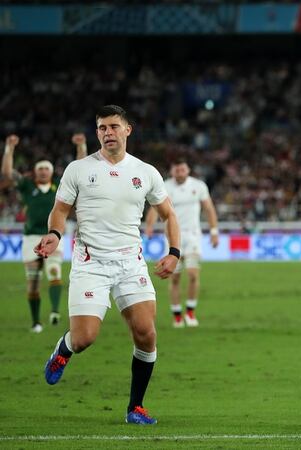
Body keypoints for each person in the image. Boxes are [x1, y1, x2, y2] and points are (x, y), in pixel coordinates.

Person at [38, 105, 181, 425]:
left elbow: (170, 214)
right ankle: (64, 348)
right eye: (102, 128)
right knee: (85, 337)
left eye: (114, 126)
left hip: (131, 262)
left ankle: (136, 408)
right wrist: (54, 234)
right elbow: (60, 210)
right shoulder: (78, 169)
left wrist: (174, 252)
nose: (108, 133)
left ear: (128, 130)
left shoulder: (145, 172)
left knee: (146, 334)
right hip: (91, 263)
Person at [1, 133, 88, 332]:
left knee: (55, 272)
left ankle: (55, 312)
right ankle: (35, 322)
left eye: (46, 169)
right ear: (35, 171)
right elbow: (7, 173)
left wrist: (81, 146)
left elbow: (80, 169)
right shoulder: (27, 185)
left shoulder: (59, 185)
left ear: (51, 172)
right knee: (32, 282)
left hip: (54, 236)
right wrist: (9, 148)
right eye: (39, 169)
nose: (42, 172)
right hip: (31, 237)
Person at [145, 160, 219, 327]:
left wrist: (214, 231)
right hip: (172, 236)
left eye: (182, 169)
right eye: (176, 169)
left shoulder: (199, 186)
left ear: (188, 170)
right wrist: (149, 226)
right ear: (172, 171)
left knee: (193, 274)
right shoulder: (164, 186)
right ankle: (177, 314)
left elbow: (209, 208)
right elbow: (154, 209)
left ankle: (190, 312)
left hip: (193, 235)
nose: (180, 172)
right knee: (175, 277)